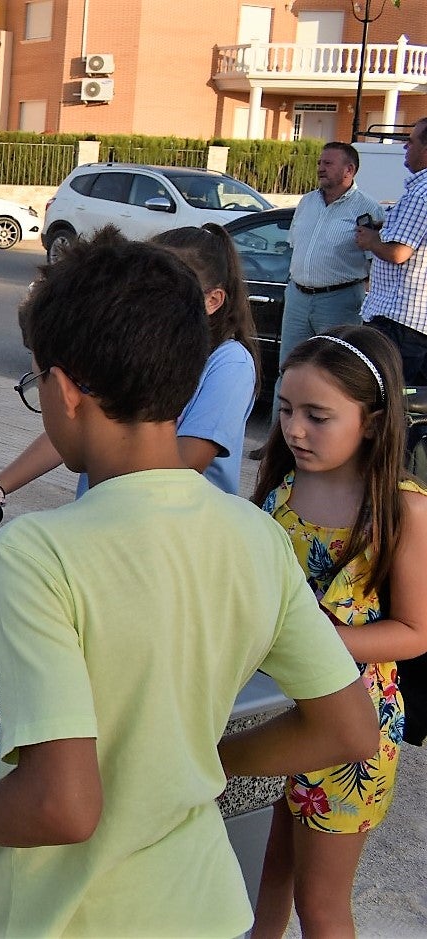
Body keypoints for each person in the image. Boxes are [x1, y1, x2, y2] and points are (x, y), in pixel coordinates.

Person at [0, 228, 378, 936]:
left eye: (35, 383)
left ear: (67, 390)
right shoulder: (253, 533)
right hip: (207, 910)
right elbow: (349, 727)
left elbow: (62, 807)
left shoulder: (39, 551)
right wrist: (195, 763)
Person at [249, 325, 427, 937]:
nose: (294, 429)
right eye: (286, 410)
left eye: (317, 416)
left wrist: (306, 639)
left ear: (373, 422)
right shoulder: (283, 489)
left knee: (320, 904)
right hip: (269, 710)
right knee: (266, 870)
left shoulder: (403, 510)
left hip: (351, 726)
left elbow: (413, 632)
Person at [0, 223, 257, 527]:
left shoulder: (230, 362)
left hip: (169, 529)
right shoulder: (140, 344)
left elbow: (184, 467)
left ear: (213, 300)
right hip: (110, 520)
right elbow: (78, 417)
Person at [279, 143, 384, 392]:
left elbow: (375, 261)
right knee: (289, 370)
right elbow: (295, 245)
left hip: (339, 300)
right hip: (297, 297)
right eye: (319, 163)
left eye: (328, 164)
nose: (320, 169)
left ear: (349, 170)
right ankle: (280, 430)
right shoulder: (307, 202)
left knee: (334, 373)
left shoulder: (368, 207)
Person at [357, 116, 427, 384]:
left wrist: (370, 241)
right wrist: (384, 228)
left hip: (399, 320)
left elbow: (399, 253)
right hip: (414, 323)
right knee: (413, 403)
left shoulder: (420, 194)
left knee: (385, 398)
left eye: (410, 143)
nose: (404, 148)